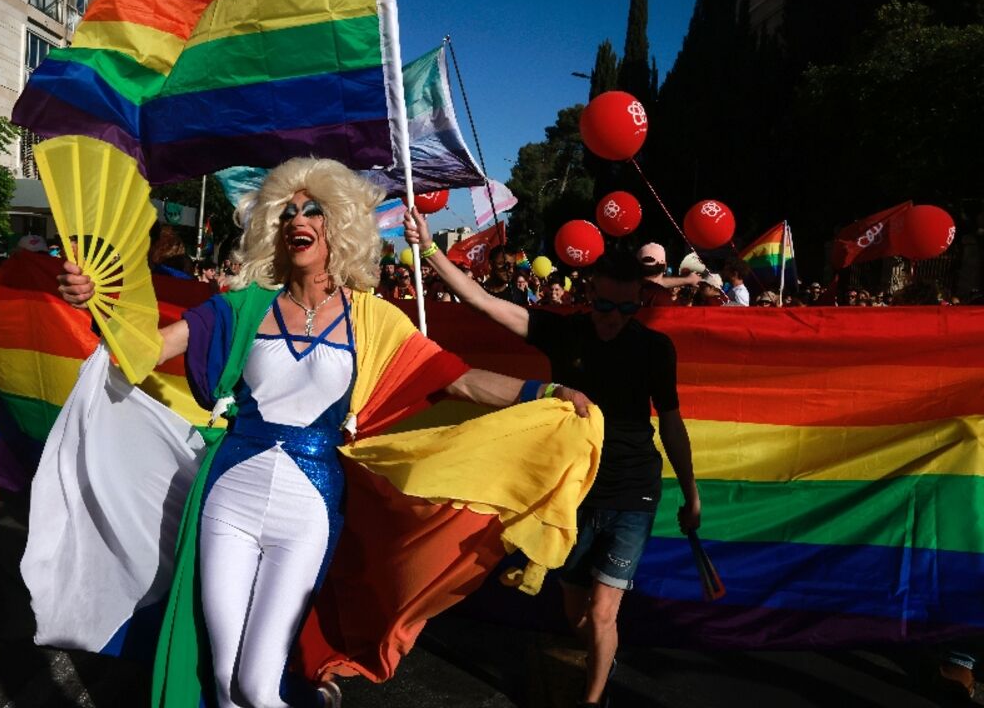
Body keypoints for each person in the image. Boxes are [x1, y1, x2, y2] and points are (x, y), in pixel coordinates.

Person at [45, 157, 598, 708]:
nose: (297, 220)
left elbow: (460, 380)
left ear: (341, 227)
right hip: (228, 496)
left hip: (308, 506)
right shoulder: (242, 307)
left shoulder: (373, 319)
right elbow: (145, 349)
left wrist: (544, 394)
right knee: (223, 677)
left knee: (260, 686)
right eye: (287, 212)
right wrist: (100, 301)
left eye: (313, 210)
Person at [407, 208, 701, 708]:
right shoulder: (565, 332)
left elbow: (671, 422)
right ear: (588, 294)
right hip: (574, 489)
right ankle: (596, 657)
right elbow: (480, 300)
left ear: (640, 302)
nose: (613, 318)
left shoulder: (656, 348)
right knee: (577, 614)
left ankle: (593, 700)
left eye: (626, 309)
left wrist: (691, 494)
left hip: (634, 490)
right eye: (605, 305)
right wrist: (430, 248)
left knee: (605, 614)